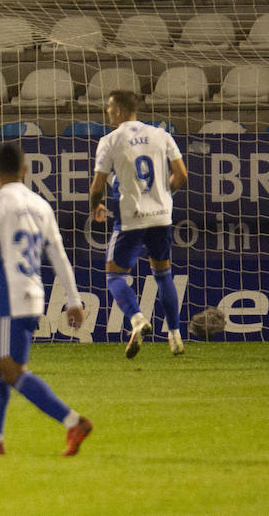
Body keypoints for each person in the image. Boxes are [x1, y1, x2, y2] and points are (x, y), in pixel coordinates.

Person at [0, 142, 93, 457]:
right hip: (33, 293)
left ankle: (73, 421)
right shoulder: (41, 205)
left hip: (10, 297)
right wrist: (73, 299)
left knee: (10, 368)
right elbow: (59, 255)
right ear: (26, 170)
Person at [89, 90, 189, 358]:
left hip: (132, 217)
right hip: (161, 216)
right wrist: (163, 197)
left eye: (109, 107)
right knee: (163, 274)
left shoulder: (110, 140)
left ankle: (136, 319)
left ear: (119, 111)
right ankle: (176, 337)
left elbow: (98, 184)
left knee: (114, 275)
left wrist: (95, 206)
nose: (107, 111)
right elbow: (181, 174)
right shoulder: (161, 135)